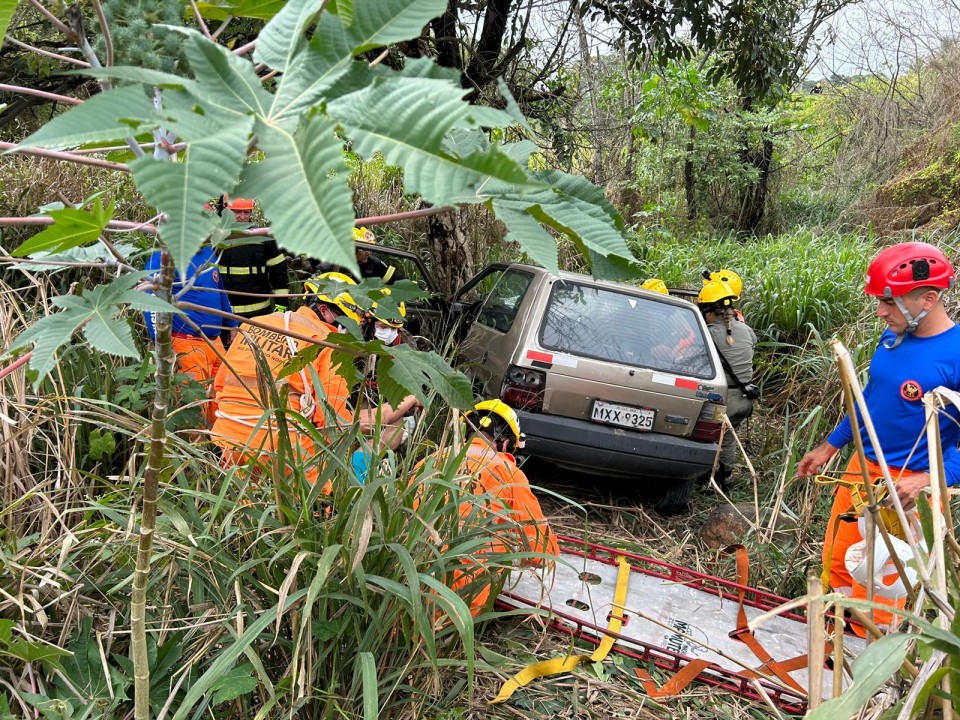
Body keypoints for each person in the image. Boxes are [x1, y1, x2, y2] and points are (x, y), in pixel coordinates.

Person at [797, 242, 960, 603]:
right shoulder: (893, 338)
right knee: (840, 561)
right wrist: (830, 445)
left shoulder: (957, 355)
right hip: (861, 470)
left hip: (908, 486)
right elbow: (869, 398)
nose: (880, 312)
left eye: (890, 301)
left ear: (928, 299)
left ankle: (869, 651)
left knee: (883, 578)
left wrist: (927, 481)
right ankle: (833, 627)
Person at [211, 275, 363, 493]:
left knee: (242, 501)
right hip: (280, 446)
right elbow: (332, 418)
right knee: (315, 502)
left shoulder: (255, 324)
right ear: (325, 312)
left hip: (227, 437)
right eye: (347, 323)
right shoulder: (328, 343)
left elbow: (220, 385)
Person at [419, 401, 558, 616]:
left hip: (405, 592)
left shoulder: (427, 462)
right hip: (458, 608)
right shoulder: (506, 471)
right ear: (504, 444)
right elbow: (544, 552)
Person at [144, 243, 238, 426]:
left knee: (223, 398)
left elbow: (219, 290)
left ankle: (219, 447)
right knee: (195, 407)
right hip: (186, 343)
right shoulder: (163, 257)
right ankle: (197, 451)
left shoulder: (209, 252)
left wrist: (232, 324)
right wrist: (162, 344)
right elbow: (151, 301)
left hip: (215, 342)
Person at [698, 279, 758, 490]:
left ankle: (706, 477)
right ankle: (726, 477)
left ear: (709, 312)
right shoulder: (746, 330)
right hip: (745, 401)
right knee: (729, 435)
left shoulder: (709, 334)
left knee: (706, 434)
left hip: (725, 401)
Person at [216, 196, 290, 323]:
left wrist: (281, 307)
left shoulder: (263, 238)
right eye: (237, 212)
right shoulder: (215, 238)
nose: (242, 217)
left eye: (246, 212)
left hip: (260, 316)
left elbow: (279, 275)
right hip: (225, 314)